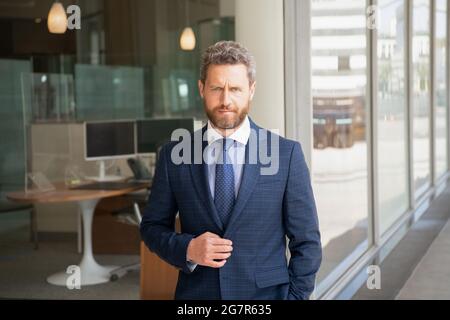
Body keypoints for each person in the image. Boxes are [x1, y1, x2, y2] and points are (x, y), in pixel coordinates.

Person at [140, 41, 322, 300]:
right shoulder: (173, 156)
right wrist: (188, 248)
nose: (226, 100)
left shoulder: (286, 155)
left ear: (251, 90)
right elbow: (152, 227)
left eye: (235, 89)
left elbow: (307, 242)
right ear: (202, 89)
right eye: (216, 88)